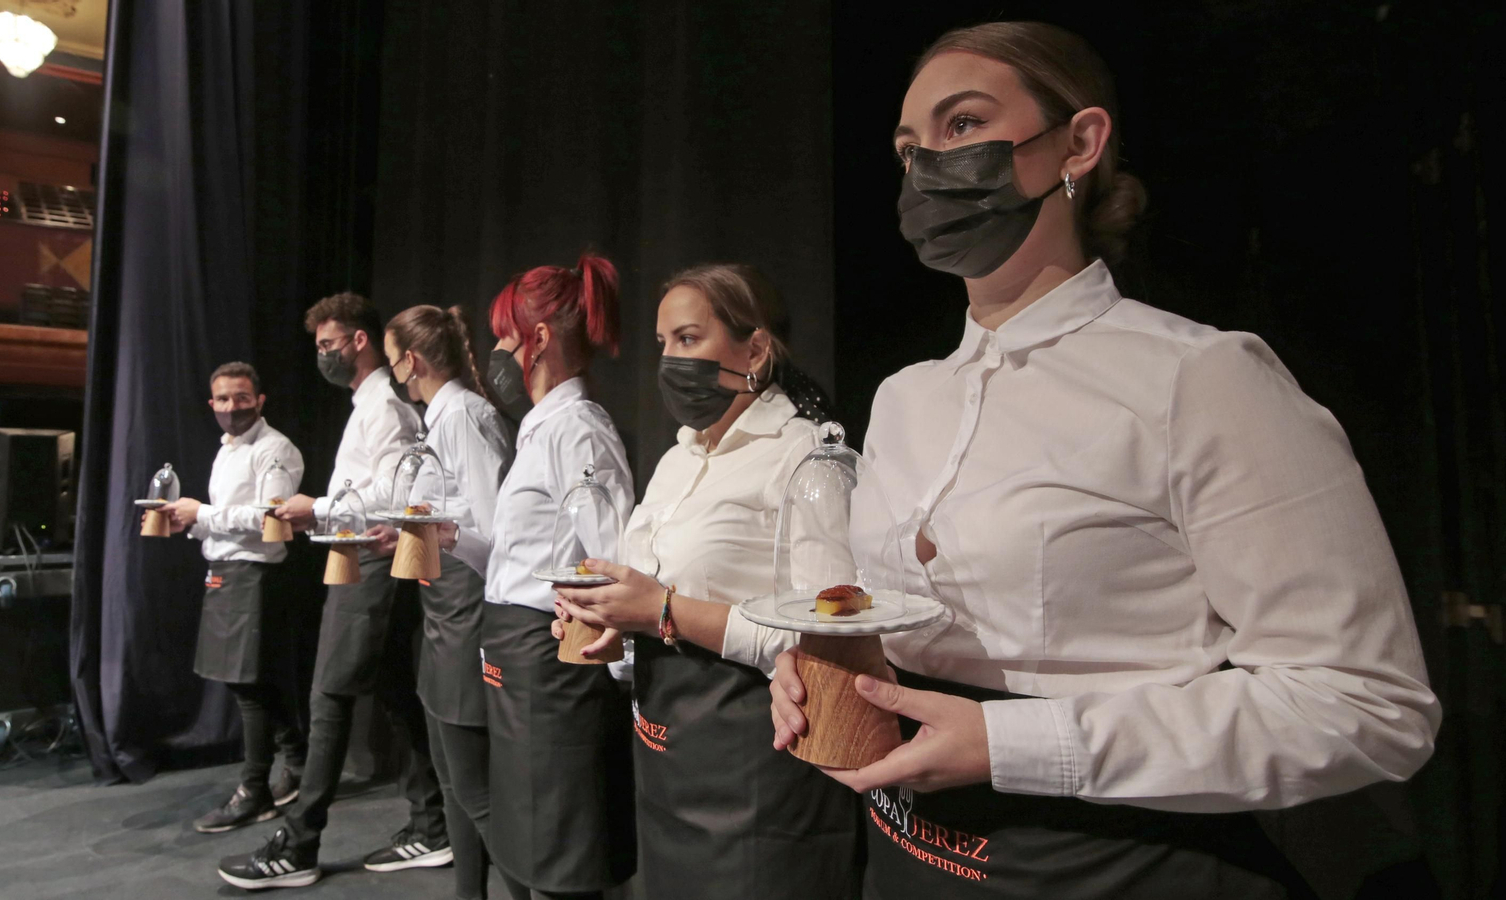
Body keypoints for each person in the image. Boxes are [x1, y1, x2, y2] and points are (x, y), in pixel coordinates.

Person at [763, 21, 1440, 899]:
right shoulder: (904, 397)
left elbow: (1365, 705)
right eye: (908, 146)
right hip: (909, 858)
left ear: (1078, 144)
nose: (928, 162)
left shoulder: (1199, 377)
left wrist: (1016, 744)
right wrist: (828, 665)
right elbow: (906, 624)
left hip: (1113, 861)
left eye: (962, 125)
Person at [551, 263, 863, 899]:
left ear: (755, 348)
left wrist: (662, 611)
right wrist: (616, 630)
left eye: (689, 339)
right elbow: (652, 606)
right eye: (663, 343)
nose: (669, 359)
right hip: (665, 755)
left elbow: (835, 641)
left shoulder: (806, 456)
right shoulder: (676, 458)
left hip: (756, 763)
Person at [219, 293, 450, 889]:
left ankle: (300, 843)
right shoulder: (367, 405)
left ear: (359, 341)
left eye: (328, 344)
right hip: (357, 554)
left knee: (329, 696)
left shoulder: (386, 408)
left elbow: (400, 493)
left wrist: (316, 506)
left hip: (372, 557)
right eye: (317, 347)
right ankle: (433, 824)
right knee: (397, 689)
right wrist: (319, 513)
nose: (321, 355)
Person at [483, 254, 636, 900]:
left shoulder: (578, 430)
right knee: (528, 853)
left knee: (562, 865)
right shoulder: (540, 430)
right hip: (519, 661)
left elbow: (614, 561)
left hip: (554, 671)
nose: (495, 352)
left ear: (537, 339)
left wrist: (626, 672)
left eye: (505, 336)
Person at [376, 304, 513, 900]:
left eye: (391, 362)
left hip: (469, 614)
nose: (390, 374)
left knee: (476, 788)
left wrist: (435, 530)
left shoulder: (466, 415)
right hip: (440, 616)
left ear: (412, 360)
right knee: (453, 781)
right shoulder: (442, 418)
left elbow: (493, 526)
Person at [162, 361, 308, 833]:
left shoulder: (275, 449)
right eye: (223, 400)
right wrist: (192, 521)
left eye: (242, 398)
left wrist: (203, 512)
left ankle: (255, 791)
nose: (232, 408)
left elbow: (272, 518)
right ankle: (299, 764)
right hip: (223, 569)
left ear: (259, 400)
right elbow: (224, 518)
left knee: (248, 685)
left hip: (255, 573)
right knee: (248, 681)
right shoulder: (225, 451)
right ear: (212, 404)